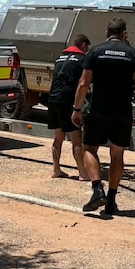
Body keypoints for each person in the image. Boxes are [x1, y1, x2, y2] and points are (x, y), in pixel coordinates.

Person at [71, 17, 135, 215]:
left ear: (106, 33)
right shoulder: (133, 53)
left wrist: (77, 108)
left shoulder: (95, 51)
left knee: (89, 149)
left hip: (99, 110)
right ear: (124, 34)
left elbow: (83, 83)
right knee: (117, 155)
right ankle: (111, 200)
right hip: (122, 111)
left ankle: (97, 189)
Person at [47, 34, 91, 180]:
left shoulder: (59, 58)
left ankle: (56, 169)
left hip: (53, 99)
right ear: (84, 45)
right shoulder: (82, 59)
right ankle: (82, 172)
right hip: (67, 100)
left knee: (58, 137)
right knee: (76, 138)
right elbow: (84, 82)